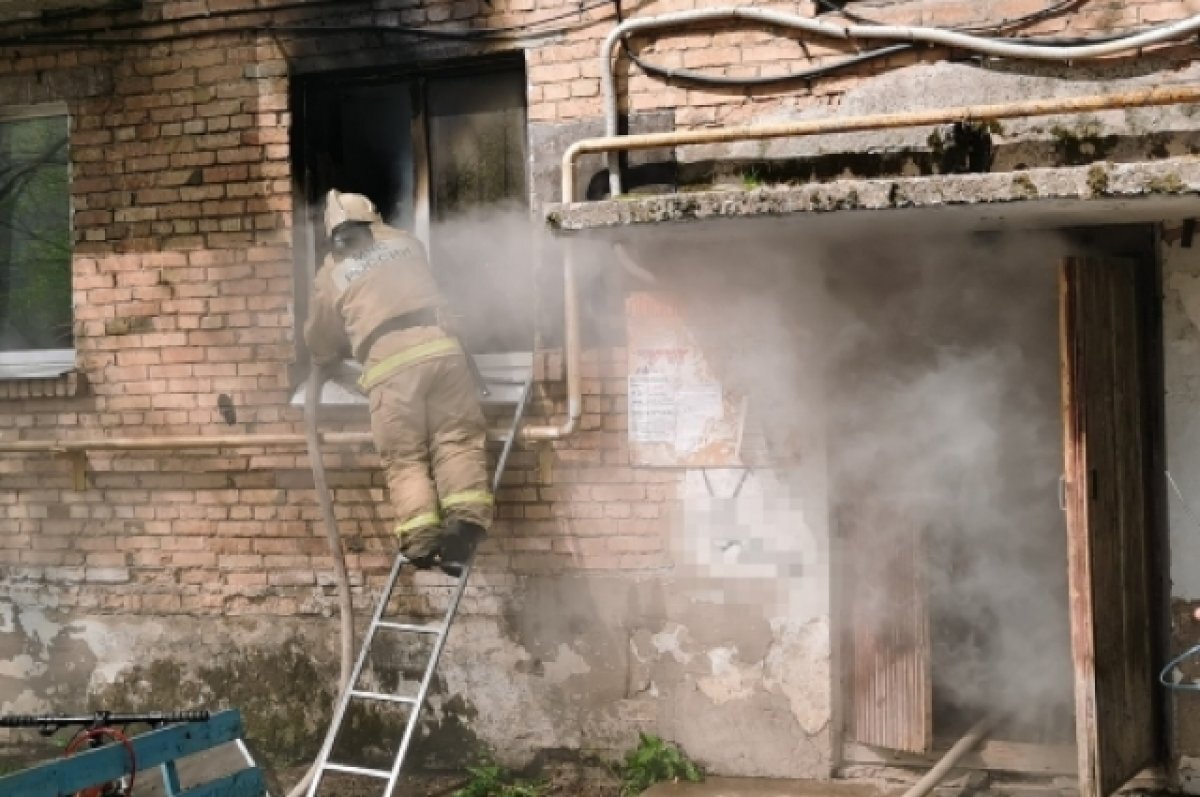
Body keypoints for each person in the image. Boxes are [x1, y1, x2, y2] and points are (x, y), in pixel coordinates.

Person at [304, 189, 492, 575]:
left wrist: (326, 359)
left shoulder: (330, 272)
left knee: (406, 459)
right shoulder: (406, 243)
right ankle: (463, 530)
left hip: (390, 368)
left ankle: (422, 543)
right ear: (373, 216)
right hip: (443, 351)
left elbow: (321, 336)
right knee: (456, 439)